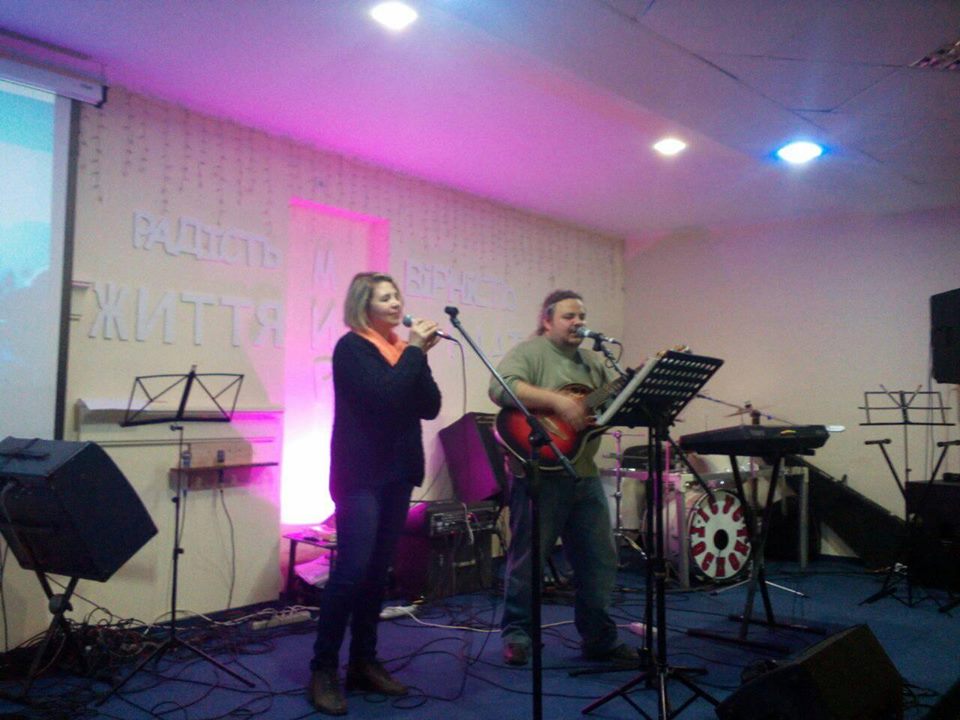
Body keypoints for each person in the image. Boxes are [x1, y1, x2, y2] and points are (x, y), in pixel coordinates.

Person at [308, 272, 442, 715]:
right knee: (351, 571)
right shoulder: (353, 348)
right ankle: (323, 668)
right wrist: (415, 352)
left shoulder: (404, 351)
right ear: (364, 306)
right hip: (361, 475)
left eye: (397, 295)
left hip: (398, 473)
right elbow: (384, 398)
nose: (396, 303)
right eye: (385, 298)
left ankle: (363, 662)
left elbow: (429, 406)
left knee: (377, 573)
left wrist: (418, 356)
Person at [489, 289, 634, 666]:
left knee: (599, 561)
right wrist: (557, 402)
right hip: (539, 477)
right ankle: (518, 635)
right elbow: (500, 386)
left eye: (581, 316)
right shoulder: (531, 352)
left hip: (583, 474)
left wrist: (629, 395)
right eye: (569, 316)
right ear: (547, 320)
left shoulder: (594, 363)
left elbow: (606, 410)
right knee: (528, 561)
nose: (578, 322)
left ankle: (599, 638)